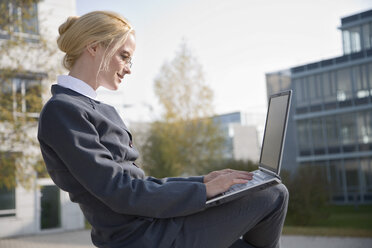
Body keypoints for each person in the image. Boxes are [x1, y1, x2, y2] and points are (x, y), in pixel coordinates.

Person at [37, 11, 288, 248]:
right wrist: (202, 191)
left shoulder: (96, 109)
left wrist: (202, 181)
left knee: (270, 192)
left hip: (155, 226)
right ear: (93, 47)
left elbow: (138, 183)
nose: (129, 68)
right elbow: (120, 191)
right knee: (273, 194)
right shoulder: (63, 111)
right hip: (140, 239)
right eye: (124, 56)